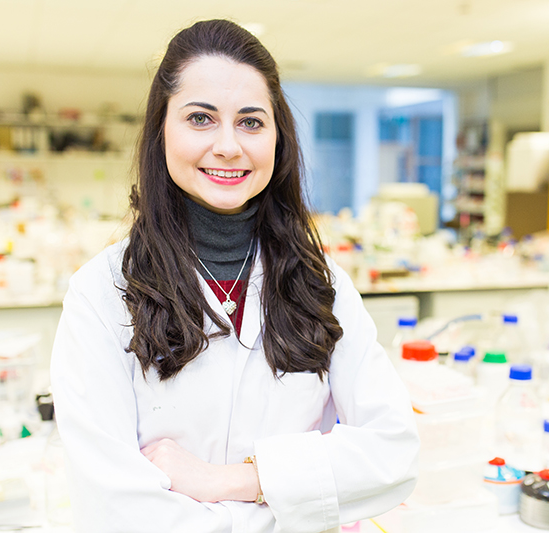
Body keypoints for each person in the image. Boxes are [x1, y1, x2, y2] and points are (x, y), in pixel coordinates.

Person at [50, 19, 419, 533]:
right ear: (161, 131)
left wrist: (228, 481)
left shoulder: (322, 283)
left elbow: (393, 453)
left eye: (250, 122)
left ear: (277, 138)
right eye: (200, 118)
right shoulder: (102, 291)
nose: (228, 145)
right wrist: (294, 500)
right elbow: (115, 506)